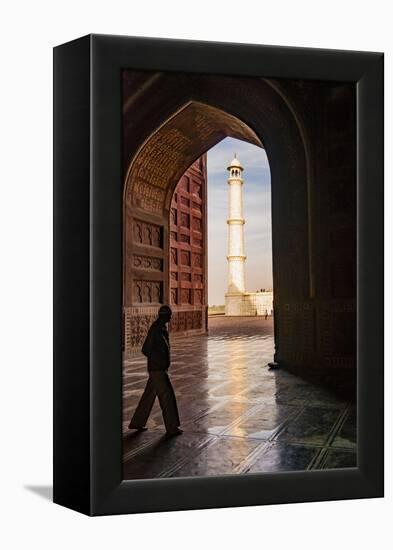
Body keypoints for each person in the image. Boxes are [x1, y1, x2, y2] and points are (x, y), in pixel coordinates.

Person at [128, 305, 182, 437]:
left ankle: (137, 422)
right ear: (164, 315)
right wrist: (157, 362)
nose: (170, 317)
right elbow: (145, 349)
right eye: (169, 315)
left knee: (148, 396)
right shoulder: (156, 329)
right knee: (167, 396)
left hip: (158, 368)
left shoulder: (161, 328)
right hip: (157, 370)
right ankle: (171, 428)